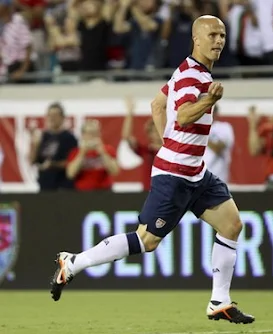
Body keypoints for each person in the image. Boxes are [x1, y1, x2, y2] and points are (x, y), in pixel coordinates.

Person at [50, 15, 255, 325]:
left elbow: (157, 105)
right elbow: (185, 114)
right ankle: (74, 262)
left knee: (231, 225)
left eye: (222, 35)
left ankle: (220, 301)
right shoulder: (194, 78)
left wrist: (168, 141)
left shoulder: (185, 71)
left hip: (195, 172)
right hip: (174, 175)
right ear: (196, 39)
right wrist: (209, 100)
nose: (219, 40)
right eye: (212, 34)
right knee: (147, 241)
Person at [29, 103, 78, 191]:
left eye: (55, 115)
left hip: (63, 186)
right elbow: (32, 161)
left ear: (62, 118)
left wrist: (52, 164)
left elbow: (72, 163)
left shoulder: (69, 138)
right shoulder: (43, 137)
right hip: (45, 185)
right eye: (50, 115)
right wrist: (35, 145)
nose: (52, 118)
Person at [121, 96, 161, 191]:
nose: (157, 133)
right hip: (148, 190)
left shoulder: (170, 149)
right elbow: (126, 136)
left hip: (166, 190)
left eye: (158, 130)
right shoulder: (146, 150)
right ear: (149, 134)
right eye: (154, 131)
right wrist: (130, 113)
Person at [66, 119, 119, 191]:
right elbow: (70, 174)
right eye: (89, 133)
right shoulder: (75, 152)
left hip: (104, 191)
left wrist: (102, 153)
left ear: (99, 134)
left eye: (94, 133)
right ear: (83, 135)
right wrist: (82, 154)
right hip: (82, 192)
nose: (92, 136)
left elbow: (115, 171)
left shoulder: (108, 150)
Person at [203, 105, 235, 183]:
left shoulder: (224, 127)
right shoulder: (198, 129)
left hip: (218, 178)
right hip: (199, 178)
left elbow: (219, 149)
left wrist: (202, 135)